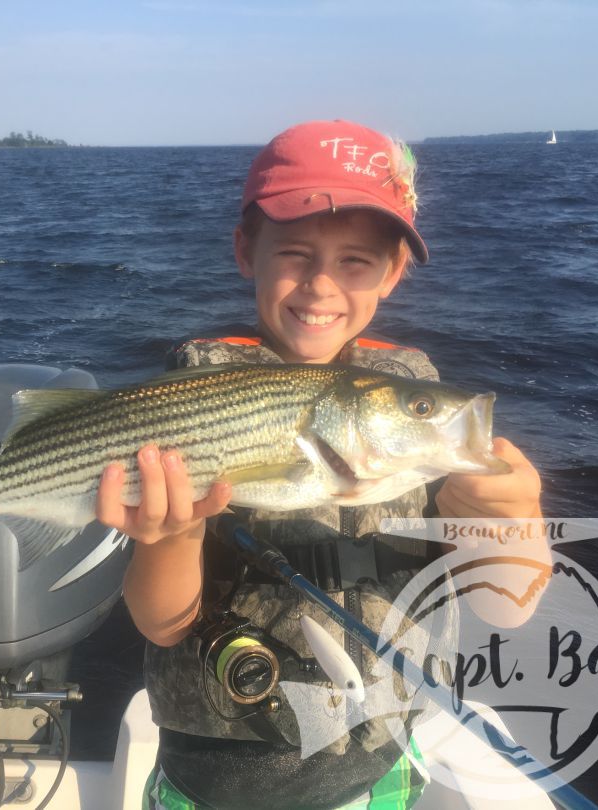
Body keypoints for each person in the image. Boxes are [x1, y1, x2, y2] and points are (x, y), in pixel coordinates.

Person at [95, 120, 544, 810]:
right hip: (217, 777)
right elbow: (161, 624)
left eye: (357, 262)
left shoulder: (405, 405)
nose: (321, 286)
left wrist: (515, 525)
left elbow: (503, 607)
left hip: (384, 767)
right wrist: (175, 534)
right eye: (296, 253)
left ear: (394, 272)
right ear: (247, 250)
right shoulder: (193, 400)